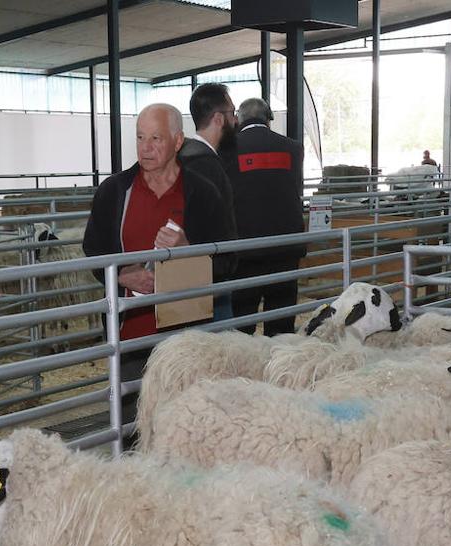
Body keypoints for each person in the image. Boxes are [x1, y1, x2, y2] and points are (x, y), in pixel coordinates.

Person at [82, 103, 234, 430]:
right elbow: (93, 248)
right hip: (129, 330)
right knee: (130, 423)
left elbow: (228, 259)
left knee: (185, 423)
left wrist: (187, 250)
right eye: (140, 138)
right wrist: (121, 275)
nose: (145, 148)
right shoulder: (114, 192)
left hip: (186, 334)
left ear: (178, 141)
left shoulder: (202, 193)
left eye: (156, 138)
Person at [221, 97, 306, 336]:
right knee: (281, 320)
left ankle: (245, 367)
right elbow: (296, 188)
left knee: (243, 320)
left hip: (246, 249)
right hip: (285, 247)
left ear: (238, 119)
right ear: (268, 120)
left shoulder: (226, 149)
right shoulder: (293, 147)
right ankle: (280, 366)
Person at [178, 83, 238, 319]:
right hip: (207, 280)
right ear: (218, 119)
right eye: (232, 113)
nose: (235, 120)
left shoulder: (184, 155)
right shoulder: (204, 165)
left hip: (195, 273)